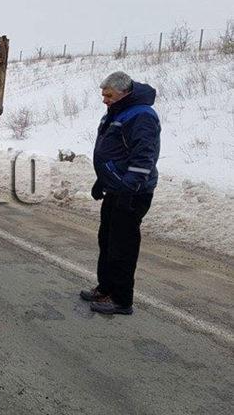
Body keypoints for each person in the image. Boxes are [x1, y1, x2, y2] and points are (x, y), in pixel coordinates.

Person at [81, 71, 161, 315]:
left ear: (124, 93)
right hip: (116, 188)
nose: (104, 99)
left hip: (132, 192)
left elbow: (144, 157)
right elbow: (114, 152)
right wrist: (102, 180)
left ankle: (122, 299)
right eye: (103, 95)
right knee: (106, 240)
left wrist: (129, 188)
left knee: (122, 247)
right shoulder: (119, 111)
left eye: (109, 95)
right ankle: (105, 289)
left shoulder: (142, 115)